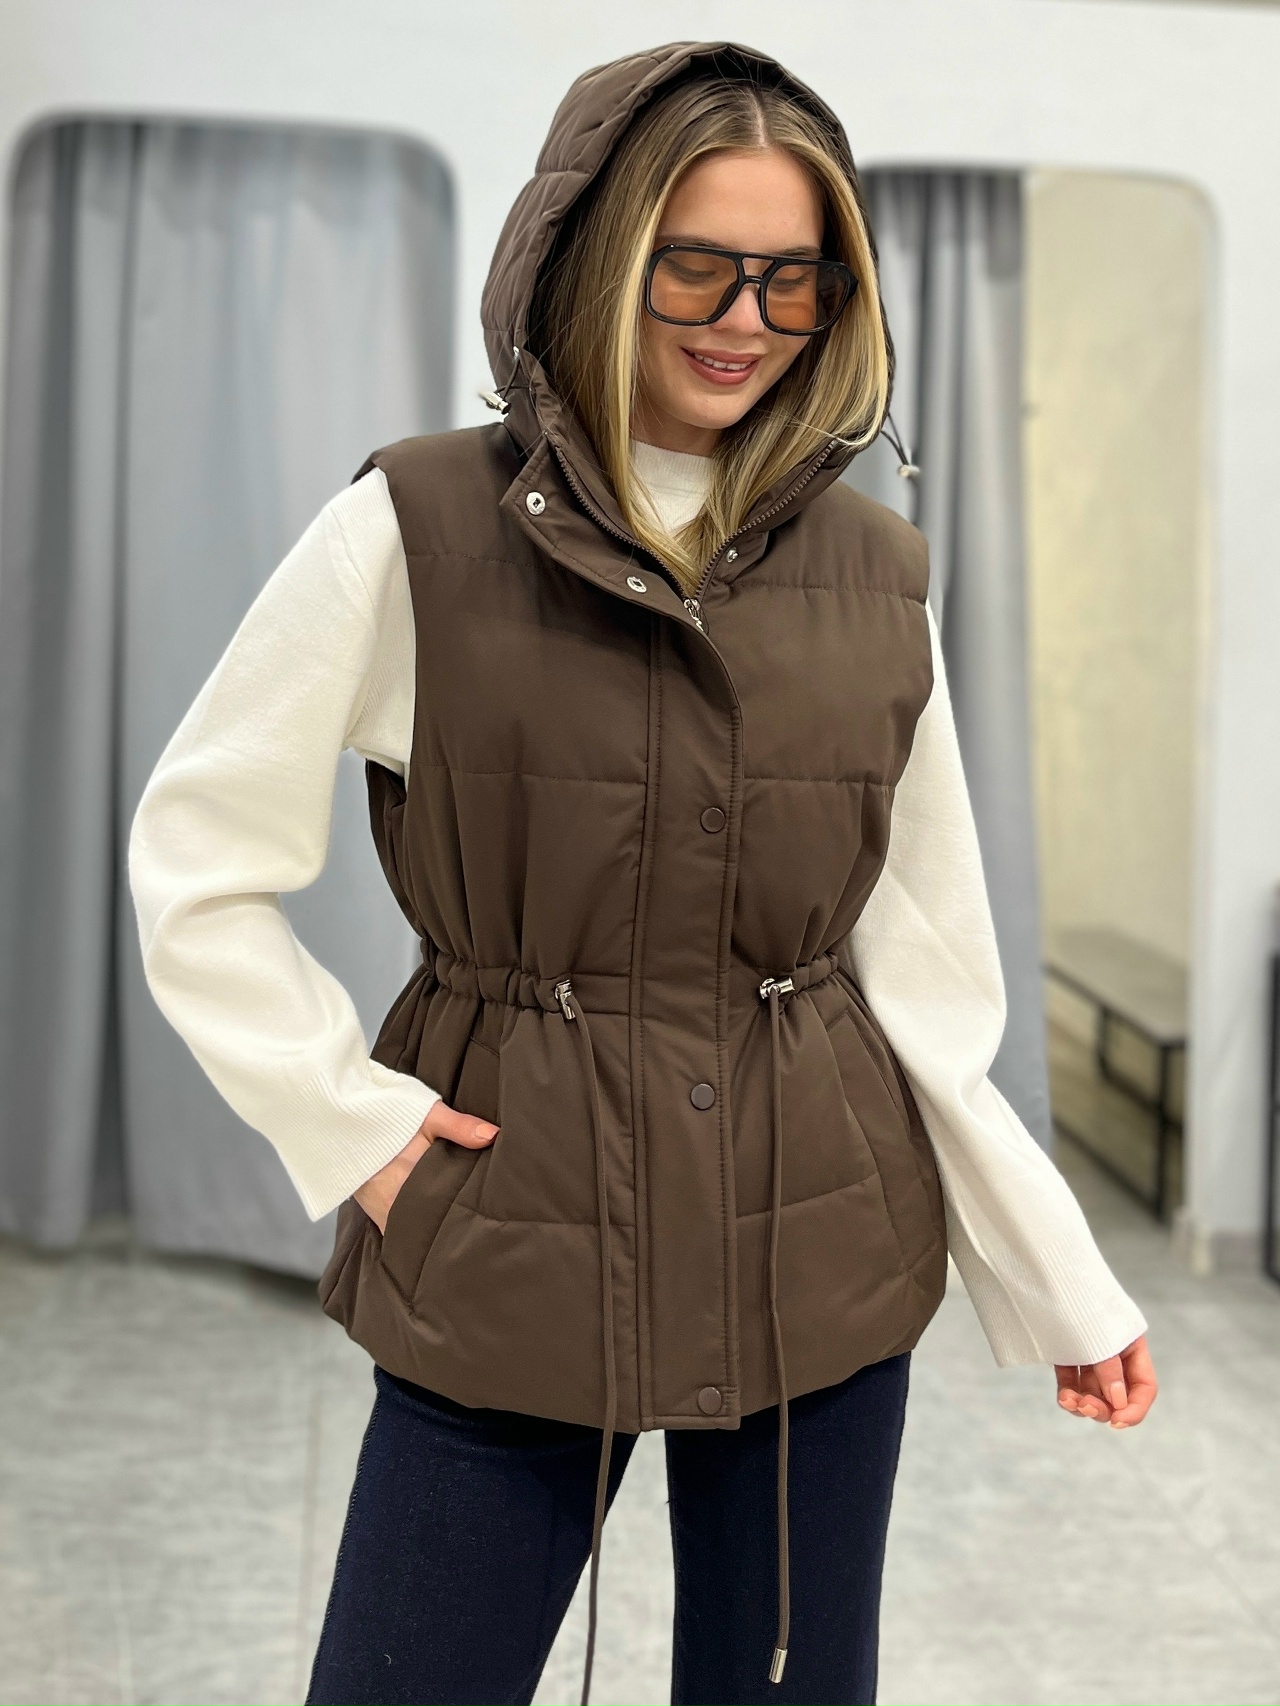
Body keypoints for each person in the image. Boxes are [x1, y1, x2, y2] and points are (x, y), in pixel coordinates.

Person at [127, 40, 1158, 1706]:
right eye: (698, 264)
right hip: (510, 1235)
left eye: (793, 279)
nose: (745, 318)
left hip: (819, 1256)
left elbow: (926, 970)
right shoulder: (418, 529)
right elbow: (197, 856)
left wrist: (1060, 1275)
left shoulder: (874, 574)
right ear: (595, 252)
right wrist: (357, 1130)